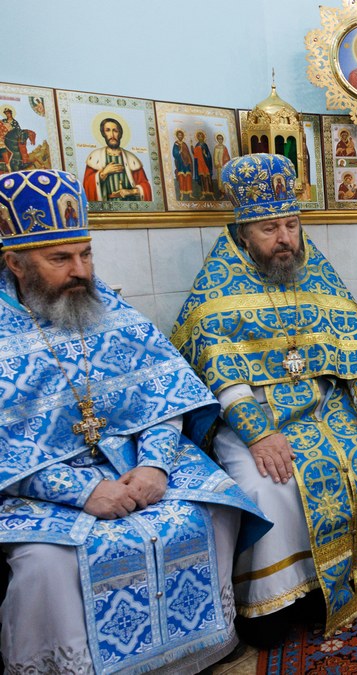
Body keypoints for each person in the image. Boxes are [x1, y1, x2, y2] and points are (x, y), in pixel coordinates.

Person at [0, 170, 267, 673]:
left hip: (135, 462)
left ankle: (198, 651)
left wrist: (155, 466)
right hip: (36, 488)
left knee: (214, 507)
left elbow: (168, 397)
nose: (81, 271)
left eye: (86, 254)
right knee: (48, 563)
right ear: (15, 263)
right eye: (60, 259)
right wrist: (83, 492)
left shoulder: (111, 311)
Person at [170, 154, 357, 645]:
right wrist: (259, 434)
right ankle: (285, 605)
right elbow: (220, 373)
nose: (285, 238)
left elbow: (354, 344)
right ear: (243, 232)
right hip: (255, 415)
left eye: (291, 224)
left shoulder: (317, 275)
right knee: (267, 484)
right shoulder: (216, 287)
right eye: (270, 229)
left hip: (326, 405)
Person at [82, 117, 153, 202]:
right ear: (103, 133)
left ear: (120, 133)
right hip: (106, 207)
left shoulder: (131, 158)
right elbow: (86, 184)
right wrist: (103, 173)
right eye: (108, 130)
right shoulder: (95, 157)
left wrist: (130, 191)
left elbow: (145, 186)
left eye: (115, 131)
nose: (112, 135)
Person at [171, 128, 194, 199]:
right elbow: (174, 154)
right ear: (177, 136)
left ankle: (190, 194)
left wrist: (189, 161)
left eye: (181, 135)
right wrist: (179, 151)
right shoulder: (176, 144)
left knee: (188, 177)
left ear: (183, 136)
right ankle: (182, 194)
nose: (180, 136)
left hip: (186, 163)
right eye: (179, 135)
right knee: (181, 177)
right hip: (180, 163)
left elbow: (188, 153)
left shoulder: (184, 144)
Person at [193, 129, 215, 199]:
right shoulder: (197, 145)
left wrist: (205, 154)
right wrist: (192, 149)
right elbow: (195, 156)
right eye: (199, 137)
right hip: (200, 164)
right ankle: (203, 194)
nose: (200, 138)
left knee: (208, 178)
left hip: (206, 164)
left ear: (203, 137)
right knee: (202, 179)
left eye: (201, 136)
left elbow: (208, 155)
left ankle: (211, 193)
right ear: (197, 138)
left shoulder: (205, 145)